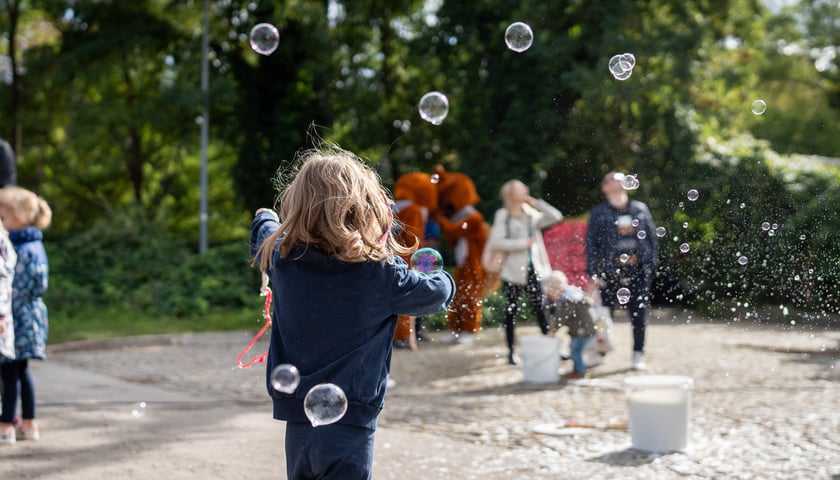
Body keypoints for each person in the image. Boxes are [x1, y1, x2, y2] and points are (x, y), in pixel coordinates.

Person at [250, 145, 455, 479]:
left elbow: (261, 233)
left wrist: (264, 215)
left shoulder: (282, 260)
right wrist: (440, 274)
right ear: (365, 211)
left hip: (297, 422)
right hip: (350, 426)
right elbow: (437, 294)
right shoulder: (381, 274)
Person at [585, 172, 659, 370]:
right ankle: (600, 352)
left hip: (638, 272)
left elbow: (652, 239)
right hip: (609, 273)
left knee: (639, 315)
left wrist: (650, 266)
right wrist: (592, 273)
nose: (619, 180)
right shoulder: (599, 213)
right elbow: (591, 244)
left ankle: (638, 354)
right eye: (613, 178)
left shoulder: (640, 209)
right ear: (605, 187)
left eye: (621, 178)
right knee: (603, 317)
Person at [487, 180, 563, 365]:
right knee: (511, 311)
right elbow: (496, 242)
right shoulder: (503, 215)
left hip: (534, 270)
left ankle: (550, 347)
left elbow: (555, 216)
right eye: (522, 189)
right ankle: (511, 351)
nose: (526, 190)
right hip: (513, 271)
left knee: (541, 308)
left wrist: (536, 203)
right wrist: (523, 244)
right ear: (511, 194)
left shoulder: (531, 214)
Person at [0, 186, 51, 444]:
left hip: (18, 318)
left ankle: (6, 426)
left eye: (4, 218)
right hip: (30, 316)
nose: (2, 223)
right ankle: (28, 424)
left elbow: (11, 288)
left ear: (20, 217)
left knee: (9, 371)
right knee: (21, 372)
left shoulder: (22, 250)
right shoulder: (35, 244)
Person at [543, 270, 597, 379]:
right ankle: (577, 369)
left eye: (551, 292)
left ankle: (580, 371)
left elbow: (562, 316)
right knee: (574, 349)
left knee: (575, 350)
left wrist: (553, 330)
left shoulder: (569, 299)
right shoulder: (572, 292)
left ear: (555, 288)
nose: (551, 295)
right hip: (582, 328)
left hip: (583, 329)